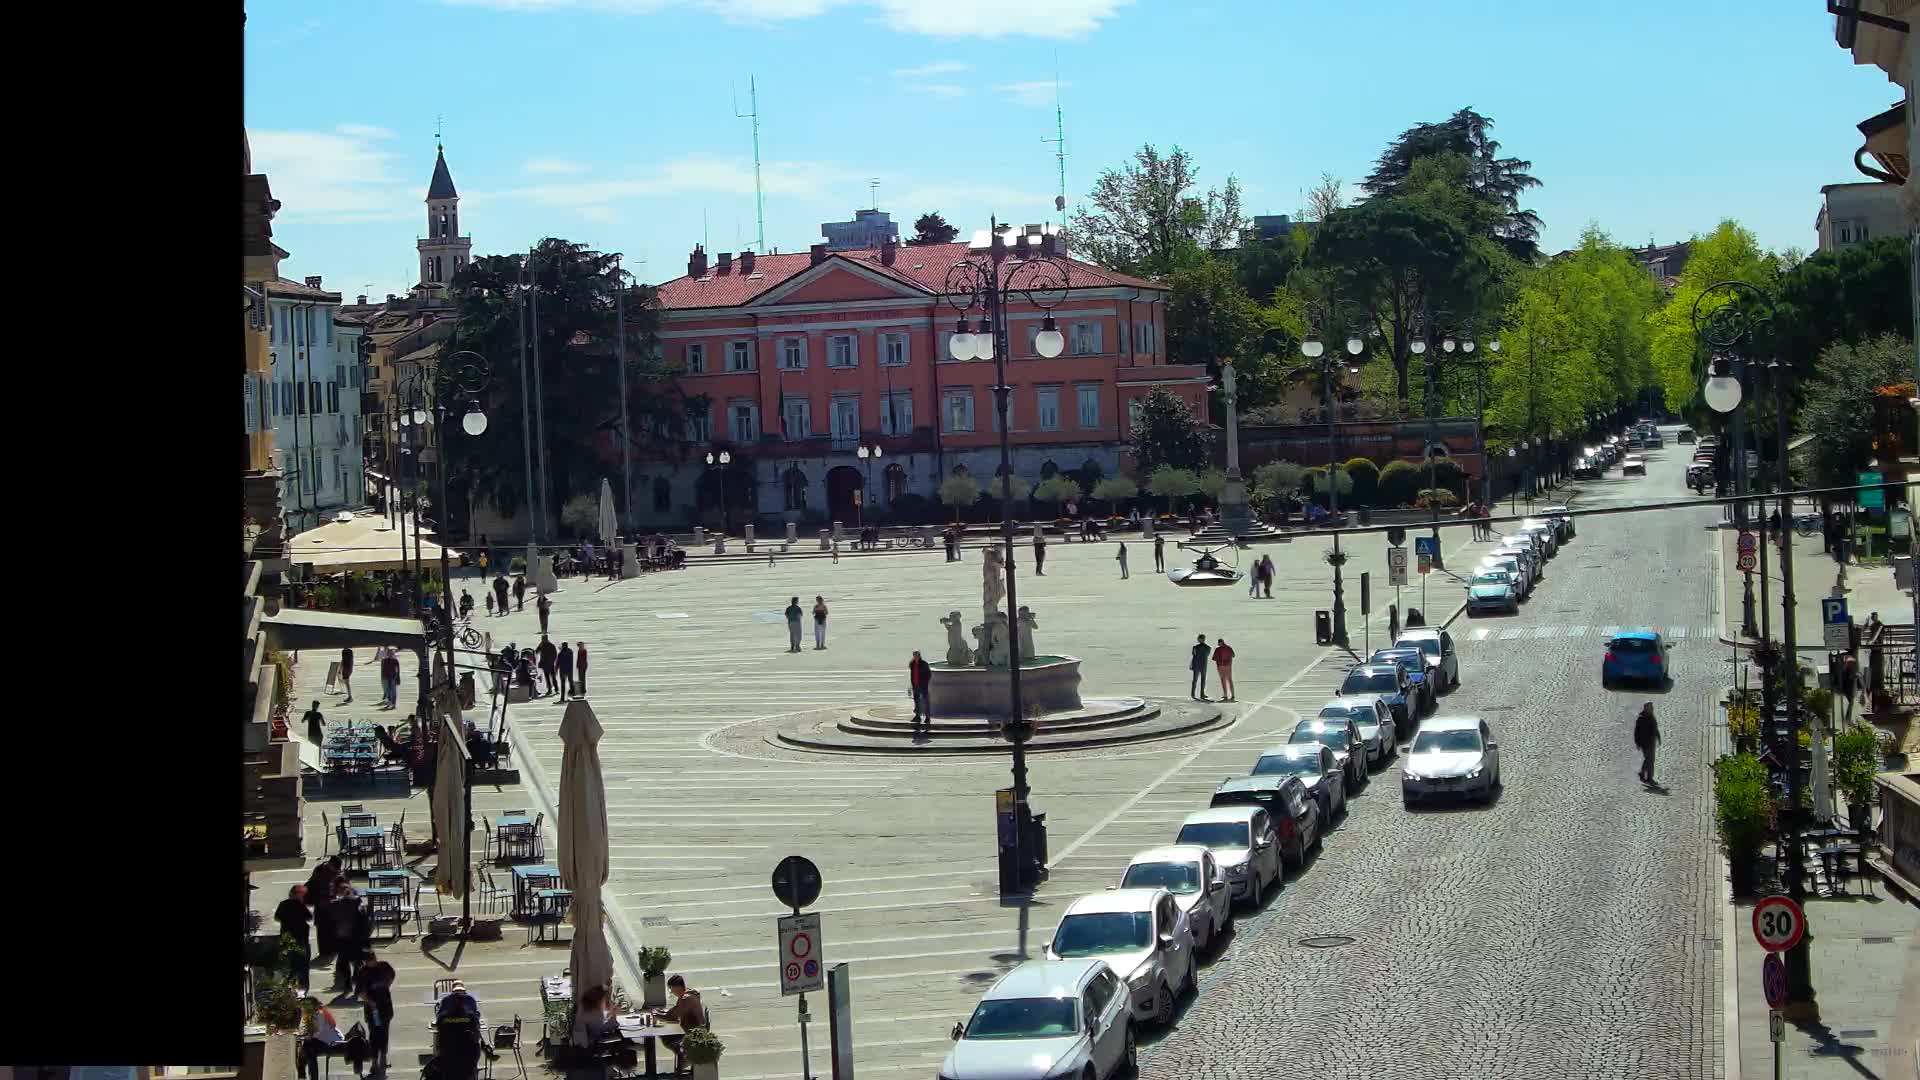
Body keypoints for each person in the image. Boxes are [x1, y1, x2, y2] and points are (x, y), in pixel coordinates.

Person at [355, 946, 396, 1074]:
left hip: (385, 1006)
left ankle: (383, 1059)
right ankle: (374, 1062)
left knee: (384, 1033)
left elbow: (392, 976)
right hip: (373, 1010)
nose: (371, 962)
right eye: (369, 961)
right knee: (374, 1035)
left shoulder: (385, 967)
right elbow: (360, 992)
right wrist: (370, 1002)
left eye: (372, 960)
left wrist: (387, 986)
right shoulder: (364, 972)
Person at [656, 975, 707, 1074]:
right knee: (667, 1035)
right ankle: (683, 1056)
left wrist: (656, 1015)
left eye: (671, 989)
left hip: (691, 1033)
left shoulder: (685, 999)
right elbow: (675, 1010)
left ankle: (684, 1057)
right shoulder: (690, 994)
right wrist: (660, 1013)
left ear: (677, 987)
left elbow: (672, 1016)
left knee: (667, 1038)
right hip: (694, 1030)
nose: (672, 992)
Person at [297, 997, 351, 1080]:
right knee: (307, 1048)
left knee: (308, 1047)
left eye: (302, 1007)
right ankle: (304, 1075)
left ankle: (305, 1076)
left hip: (333, 1043)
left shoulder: (319, 1014)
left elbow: (317, 1033)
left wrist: (303, 1037)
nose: (301, 1009)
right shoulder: (311, 1015)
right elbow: (307, 1030)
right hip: (323, 1040)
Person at [275, 884, 313, 990]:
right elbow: (309, 917)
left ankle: (289, 986)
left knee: (290, 964)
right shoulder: (300, 905)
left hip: (287, 937)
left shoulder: (283, 904)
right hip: (301, 938)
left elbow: (277, 917)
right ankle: (303, 986)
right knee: (303, 965)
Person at [1633, 703, 1660, 784]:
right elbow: (1637, 732)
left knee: (1649, 760)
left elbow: (1655, 728)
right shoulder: (1641, 719)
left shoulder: (1652, 717)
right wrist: (1638, 743)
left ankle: (1643, 773)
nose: (1652, 709)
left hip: (1652, 742)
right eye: (1650, 708)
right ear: (1646, 709)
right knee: (1650, 760)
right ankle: (1649, 778)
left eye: (1652, 708)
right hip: (1645, 743)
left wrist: (1658, 737)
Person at [909, 650, 933, 724]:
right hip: (915, 686)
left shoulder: (924, 664)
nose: (915, 656)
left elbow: (929, 674)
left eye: (917, 655)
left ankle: (927, 717)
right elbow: (912, 675)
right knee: (917, 702)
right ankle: (917, 716)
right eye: (914, 655)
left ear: (919, 656)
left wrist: (924, 683)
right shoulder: (912, 664)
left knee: (926, 702)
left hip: (923, 686)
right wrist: (912, 685)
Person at [1189, 634, 1210, 700]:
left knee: (1195, 680)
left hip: (1197, 665)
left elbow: (1194, 655)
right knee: (1202, 680)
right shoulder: (1208, 647)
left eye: (1199, 639)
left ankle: (1194, 694)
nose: (1198, 640)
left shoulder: (1195, 647)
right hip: (1203, 665)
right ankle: (1201, 694)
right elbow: (1207, 654)